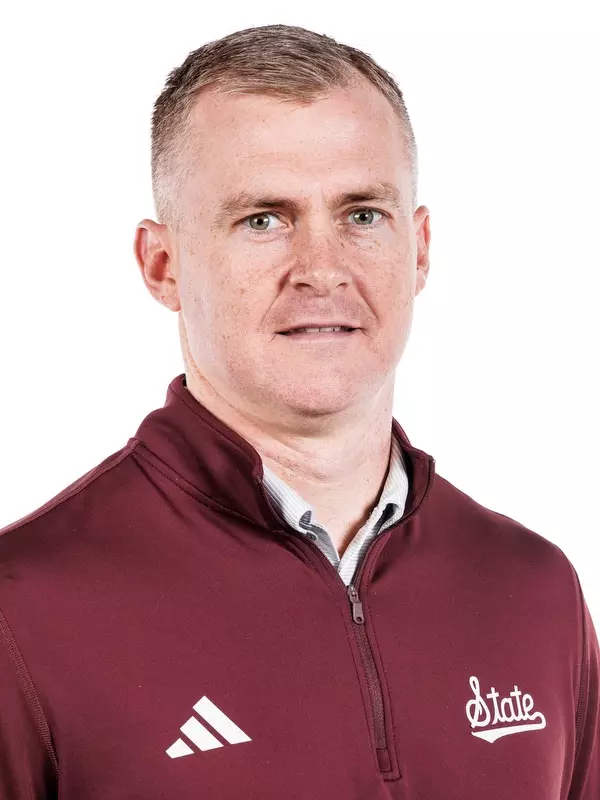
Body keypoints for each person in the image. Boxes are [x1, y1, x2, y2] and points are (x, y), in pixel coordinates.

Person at [0, 22, 597, 799]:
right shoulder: (23, 612)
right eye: (263, 219)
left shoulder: (536, 591)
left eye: (361, 215)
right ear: (161, 264)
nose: (321, 270)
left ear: (419, 249)